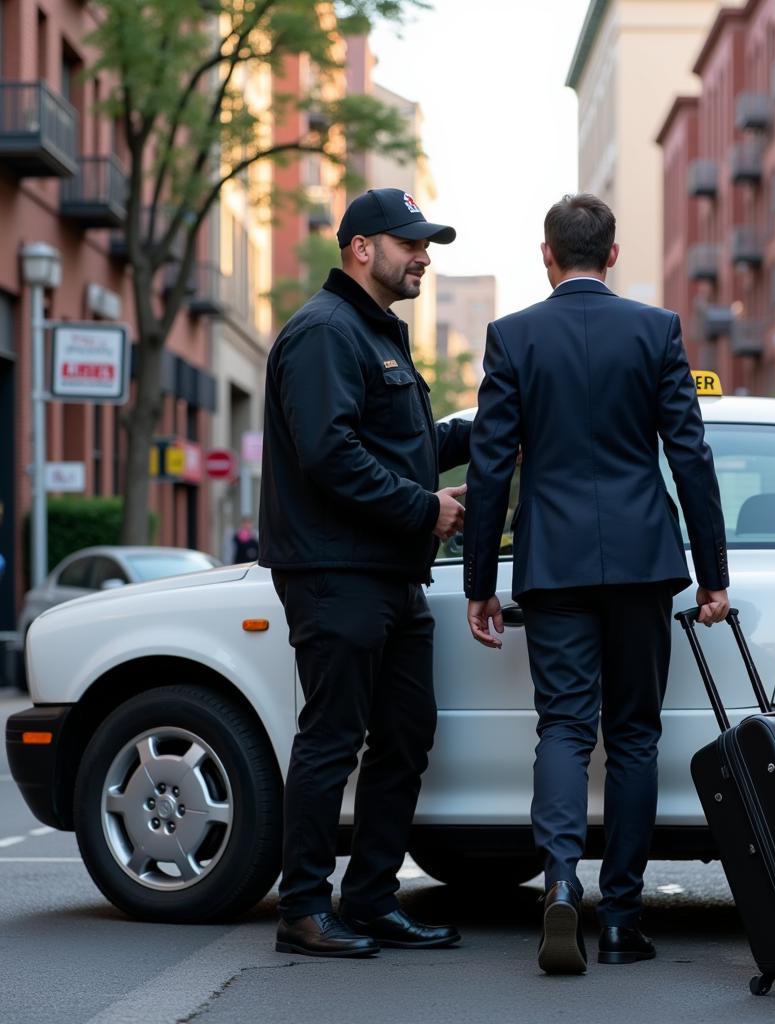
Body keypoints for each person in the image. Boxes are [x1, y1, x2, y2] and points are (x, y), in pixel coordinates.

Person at [462, 194, 730, 974]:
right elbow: (691, 457)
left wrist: (481, 579)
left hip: (554, 563)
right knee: (636, 735)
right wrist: (713, 573)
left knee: (566, 728)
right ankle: (621, 919)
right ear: (613, 255)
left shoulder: (513, 337)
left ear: (546, 255)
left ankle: (558, 882)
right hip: (644, 560)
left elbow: (488, 467)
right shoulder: (656, 331)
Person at [259, 188, 471, 959]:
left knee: (405, 733)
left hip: (386, 574)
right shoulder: (324, 332)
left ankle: (373, 898)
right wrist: (425, 510)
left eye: (427, 245)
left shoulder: (373, 334)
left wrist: (494, 425)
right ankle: (304, 911)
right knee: (332, 738)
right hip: (335, 570)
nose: (422, 257)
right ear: (360, 247)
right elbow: (330, 454)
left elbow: (401, 442)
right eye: (410, 243)